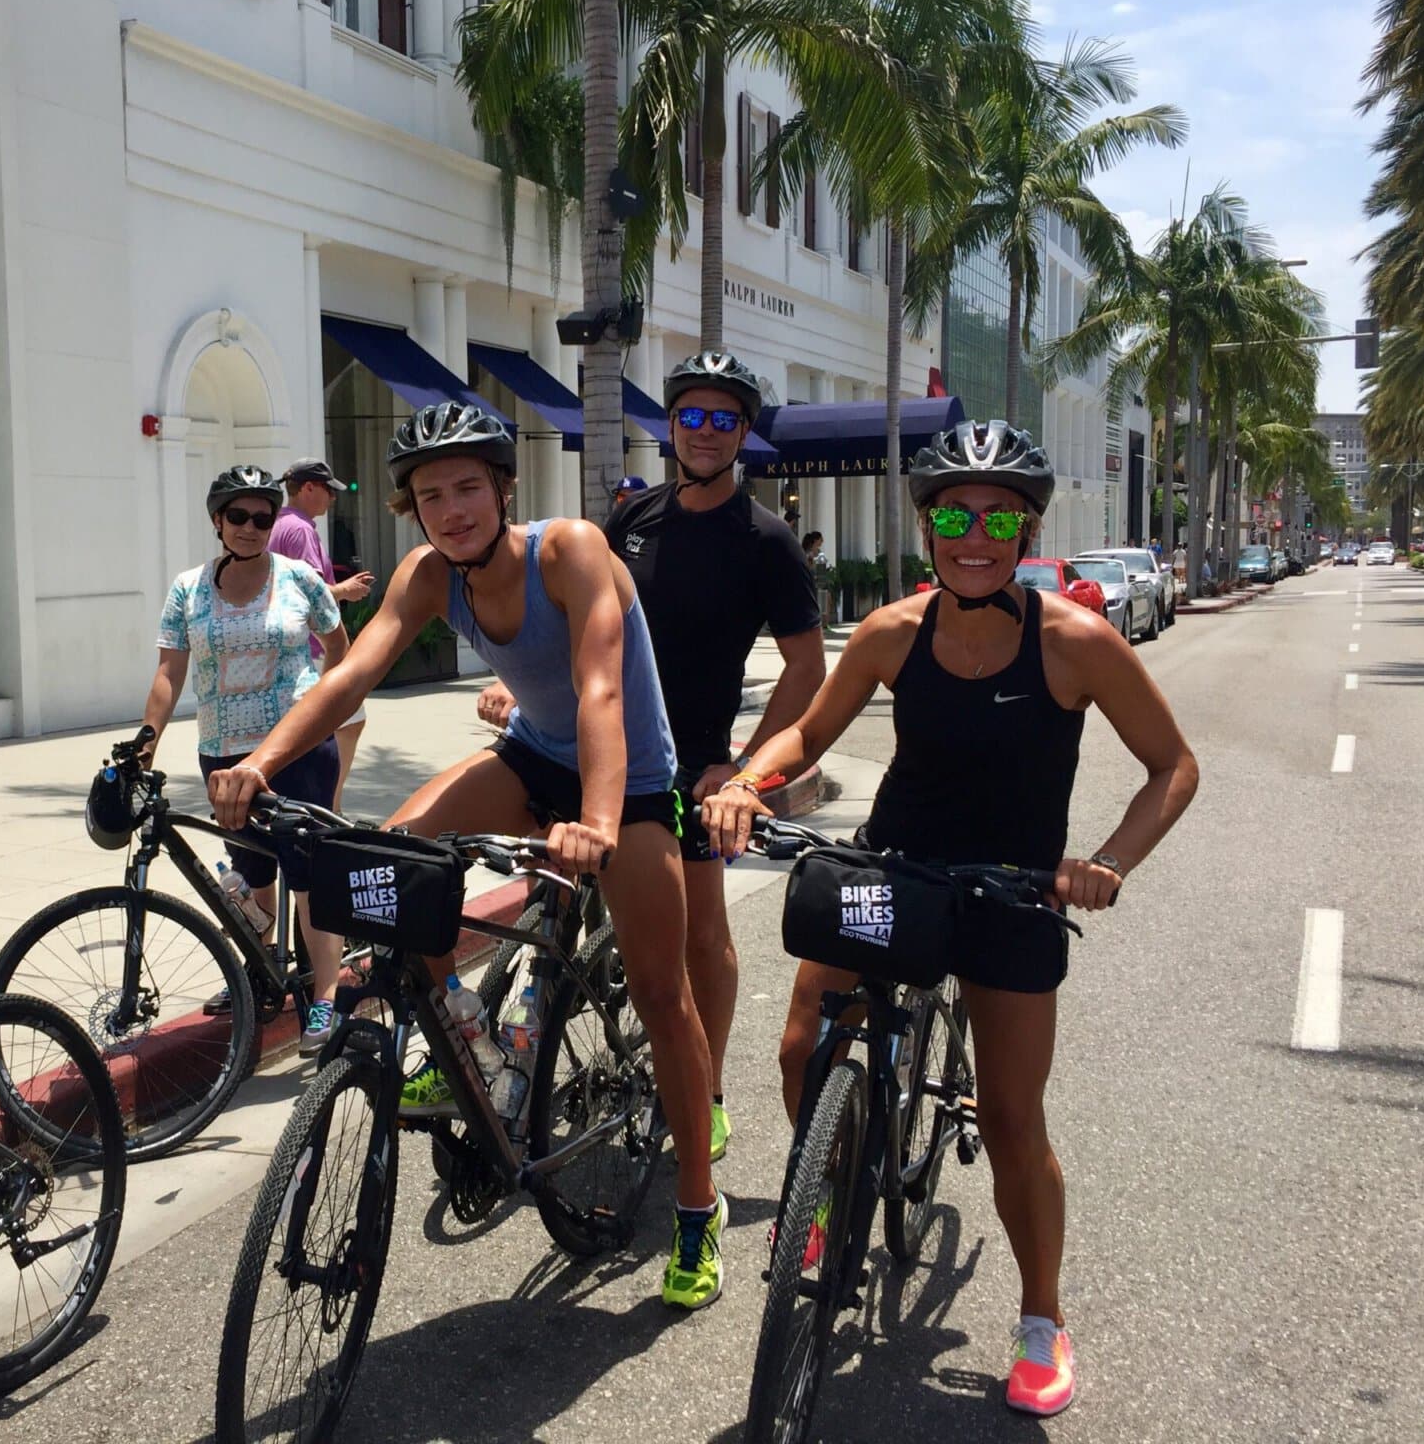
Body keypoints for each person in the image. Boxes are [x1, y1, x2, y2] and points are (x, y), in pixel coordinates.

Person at [705, 420, 1199, 1420]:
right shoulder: (894, 631)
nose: (972, 535)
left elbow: (1172, 767)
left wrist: (1103, 862)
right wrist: (748, 781)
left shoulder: (1076, 643)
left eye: (998, 518)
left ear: (1026, 531)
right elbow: (807, 728)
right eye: (950, 515)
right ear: (926, 524)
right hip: (894, 865)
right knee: (801, 1048)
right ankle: (830, 1185)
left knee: (1014, 1121)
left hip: (1014, 890)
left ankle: (1039, 1317)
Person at [208, 403, 728, 1310]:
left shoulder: (568, 552)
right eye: (430, 496)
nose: (451, 510)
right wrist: (258, 763)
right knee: (393, 859)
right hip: (532, 757)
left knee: (662, 993)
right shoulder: (426, 573)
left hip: (632, 782)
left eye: (467, 488)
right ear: (412, 510)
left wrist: (599, 821)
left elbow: (601, 688)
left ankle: (696, 1205)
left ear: (502, 488)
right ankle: (470, 1039)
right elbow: (350, 676)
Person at [480, 350, 825, 1166]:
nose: (705, 432)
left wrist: (743, 772)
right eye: (691, 416)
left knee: (702, 937)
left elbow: (809, 670)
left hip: (692, 762)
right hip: (593, 744)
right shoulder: (631, 520)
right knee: (553, 899)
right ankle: (531, 1045)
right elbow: (579, 627)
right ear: (670, 425)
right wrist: (521, 695)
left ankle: (702, 1093)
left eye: (724, 419)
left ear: (743, 432)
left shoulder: (767, 541)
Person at [145, 465, 350, 1055]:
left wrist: (324, 705)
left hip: (299, 750)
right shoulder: (187, 588)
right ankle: (263, 973)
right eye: (238, 516)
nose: (252, 527)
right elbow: (169, 672)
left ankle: (326, 1000)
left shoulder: (301, 580)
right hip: (226, 757)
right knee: (253, 877)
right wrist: (145, 741)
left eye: (263, 516)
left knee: (310, 878)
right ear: (218, 520)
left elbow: (339, 649)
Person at [271, 457, 375, 809]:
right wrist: (344, 589)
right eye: (328, 490)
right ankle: (330, 805)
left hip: (295, 647)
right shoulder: (300, 530)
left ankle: (325, 802)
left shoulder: (278, 524)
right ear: (308, 488)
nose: (333, 498)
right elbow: (308, 592)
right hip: (314, 647)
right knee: (348, 720)